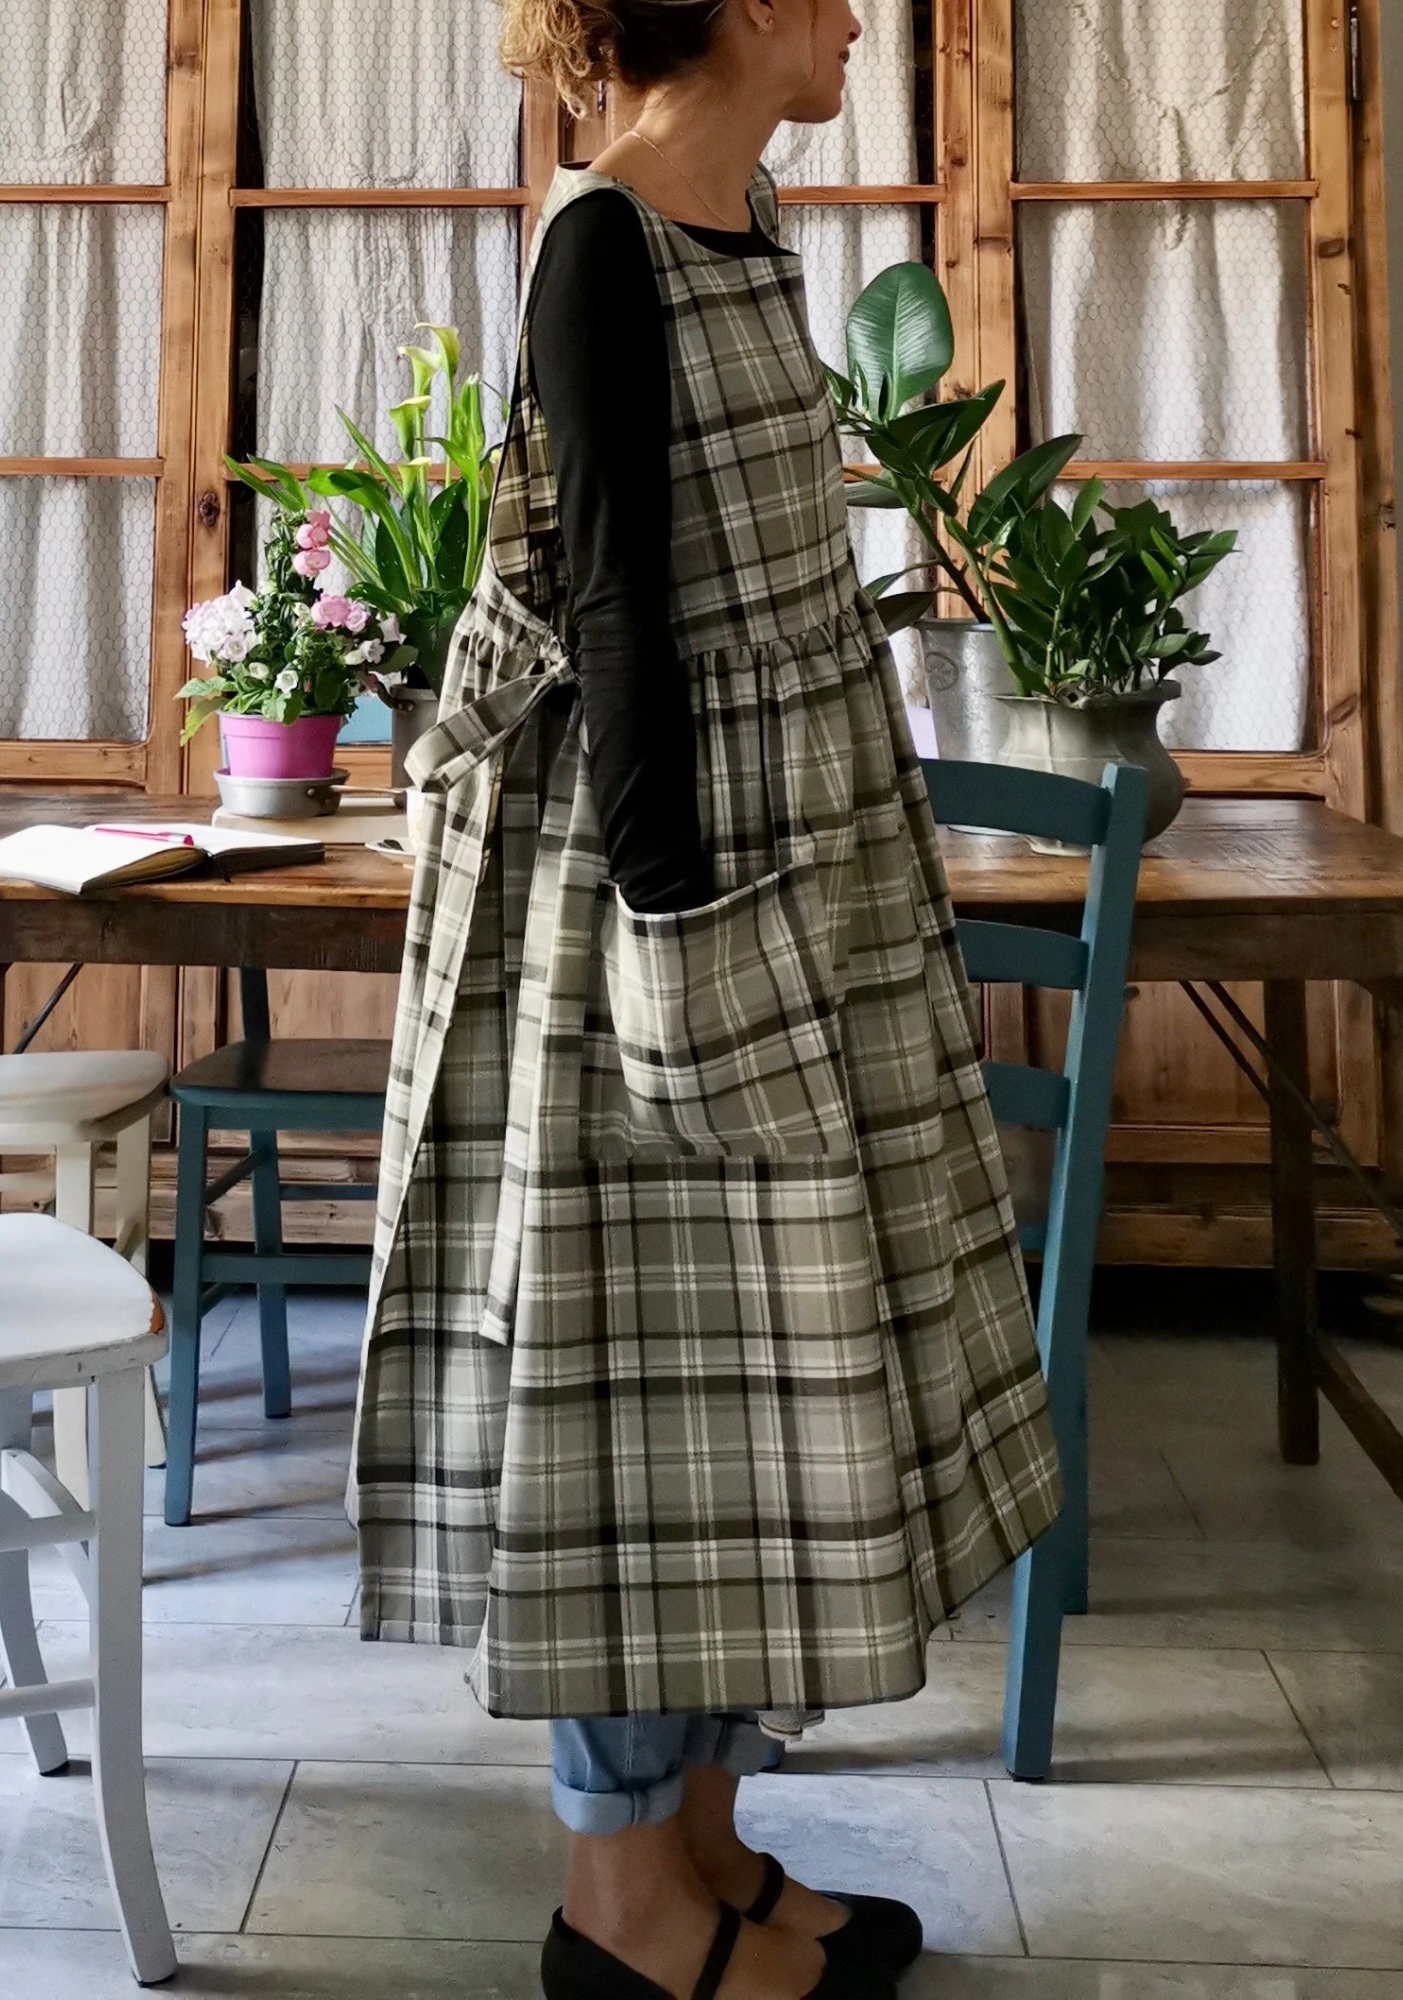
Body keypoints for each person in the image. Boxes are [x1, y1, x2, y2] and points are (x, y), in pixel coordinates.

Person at [352, 3, 1062, 1994]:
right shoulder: (600, 241)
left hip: (792, 855)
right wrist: (682, 927)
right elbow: (617, 611)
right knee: (630, 1394)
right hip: (661, 892)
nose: (853, 22)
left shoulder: (736, 218)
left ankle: (706, 1842)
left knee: (757, 1385)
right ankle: (621, 1908)